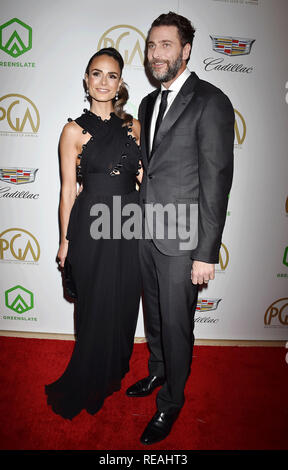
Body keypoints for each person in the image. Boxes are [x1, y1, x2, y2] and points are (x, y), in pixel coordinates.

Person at [126, 12, 234, 445]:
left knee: (176, 324)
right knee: (154, 316)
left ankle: (171, 401)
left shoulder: (211, 100)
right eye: (151, 46)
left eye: (166, 45)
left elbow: (216, 179)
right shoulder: (148, 103)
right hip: (146, 232)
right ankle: (157, 372)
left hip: (184, 240)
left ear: (185, 51)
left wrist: (206, 252)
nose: (156, 54)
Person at [45, 48, 142, 419]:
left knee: (123, 300)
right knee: (94, 302)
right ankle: (89, 373)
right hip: (90, 226)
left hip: (130, 224)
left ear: (120, 83)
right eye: (96, 74)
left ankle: (114, 367)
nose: (103, 82)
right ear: (86, 80)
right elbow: (68, 190)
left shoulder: (133, 126)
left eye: (112, 75)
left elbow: (142, 178)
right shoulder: (72, 130)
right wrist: (65, 240)